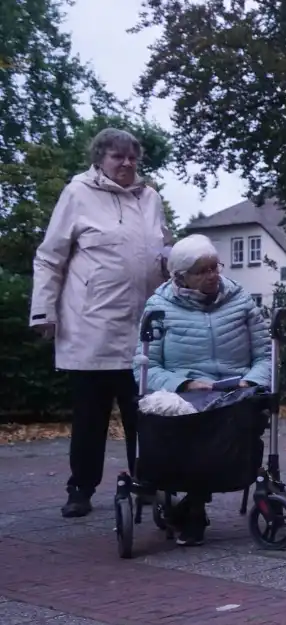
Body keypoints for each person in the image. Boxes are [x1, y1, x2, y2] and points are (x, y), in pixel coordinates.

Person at [29, 128, 173, 519]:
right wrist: (44, 312)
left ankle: (147, 481)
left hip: (142, 330)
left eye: (131, 157)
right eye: (116, 157)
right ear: (99, 160)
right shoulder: (77, 194)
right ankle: (81, 489)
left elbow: (162, 251)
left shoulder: (151, 198)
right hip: (90, 326)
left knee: (144, 416)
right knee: (90, 418)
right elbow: (49, 256)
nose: (126, 164)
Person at [136, 234, 271, 545]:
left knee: (228, 419)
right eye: (203, 271)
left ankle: (192, 507)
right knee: (197, 424)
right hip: (187, 394)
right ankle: (194, 506)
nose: (213, 276)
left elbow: (265, 356)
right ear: (180, 277)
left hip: (237, 390)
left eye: (215, 267)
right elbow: (145, 367)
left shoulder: (241, 301)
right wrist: (184, 383)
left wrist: (250, 380)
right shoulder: (158, 307)